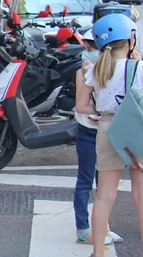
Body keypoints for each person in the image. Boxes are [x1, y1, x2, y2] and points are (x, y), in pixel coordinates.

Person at [77, 14, 143, 257]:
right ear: (130, 40)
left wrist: (102, 111)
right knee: (140, 193)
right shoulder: (138, 67)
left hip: (107, 129)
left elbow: (82, 106)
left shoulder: (94, 69)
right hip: (135, 128)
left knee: (105, 195)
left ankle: (98, 252)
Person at [73, 29, 122, 246]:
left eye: (94, 46)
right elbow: (80, 105)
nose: (91, 50)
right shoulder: (85, 71)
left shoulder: (112, 68)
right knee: (86, 181)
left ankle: (103, 228)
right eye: (88, 45)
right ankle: (83, 228)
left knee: (104, 187)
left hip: (102, 130)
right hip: (88, 131)